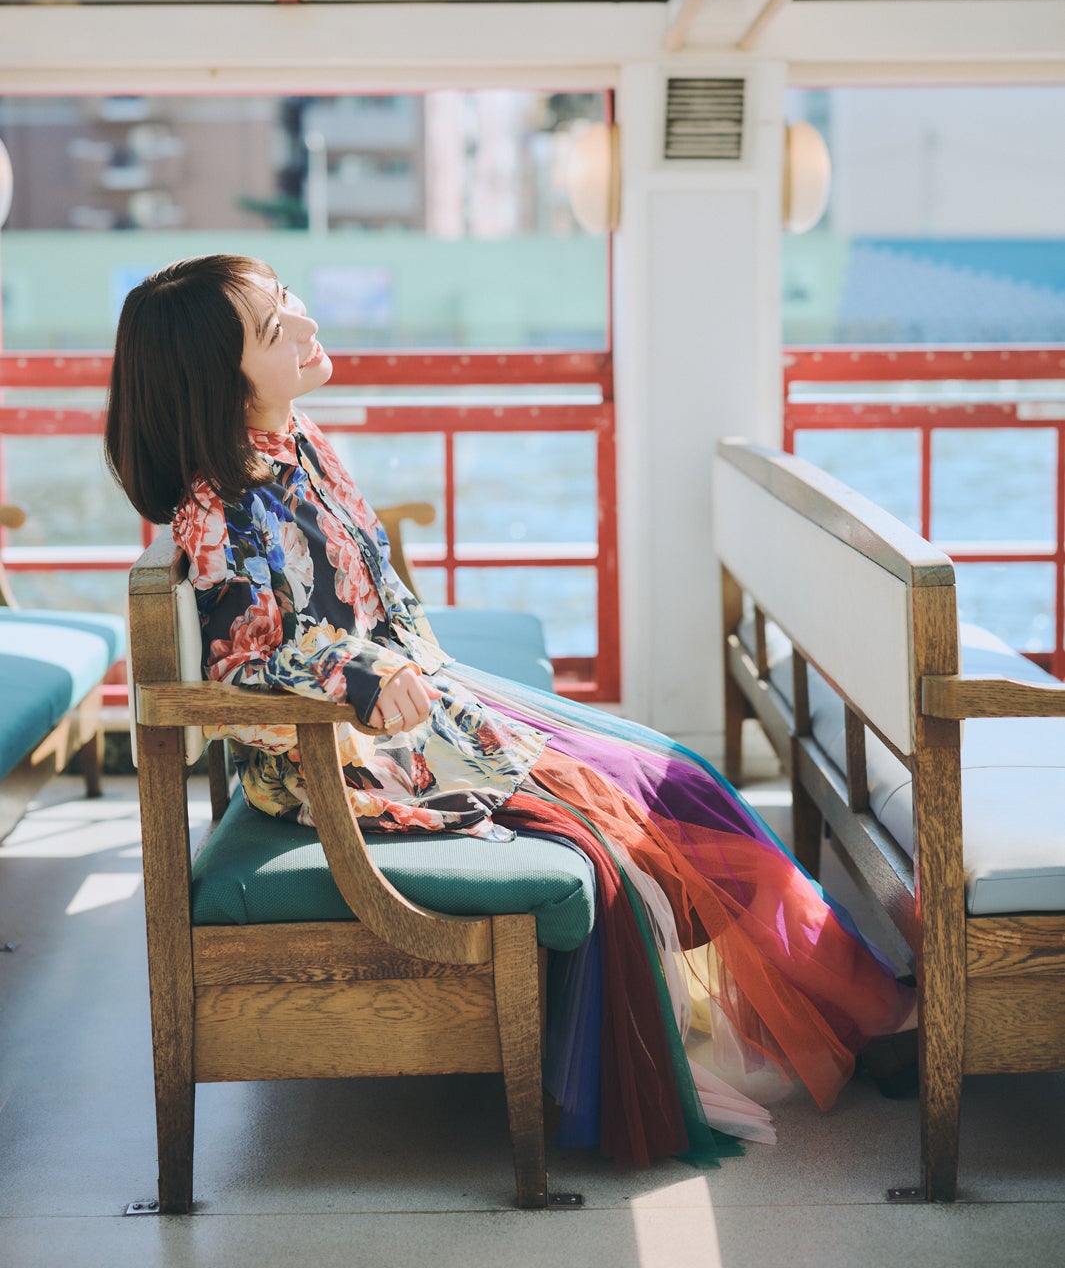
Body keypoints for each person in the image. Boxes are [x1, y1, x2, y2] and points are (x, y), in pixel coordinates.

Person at [105, 253, 915, 1169]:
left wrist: (400, 666)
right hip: (355, 762)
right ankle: (872, 1015)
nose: (304, 322)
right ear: (222, 382)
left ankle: (855, 1006)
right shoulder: (216, 510)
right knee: (644, 816)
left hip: (427, 705)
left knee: (677, 777)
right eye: (272, 327)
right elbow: (239, 674)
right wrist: (356, 674)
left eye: (288, 299)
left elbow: (363, 599)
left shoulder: (299, 444)